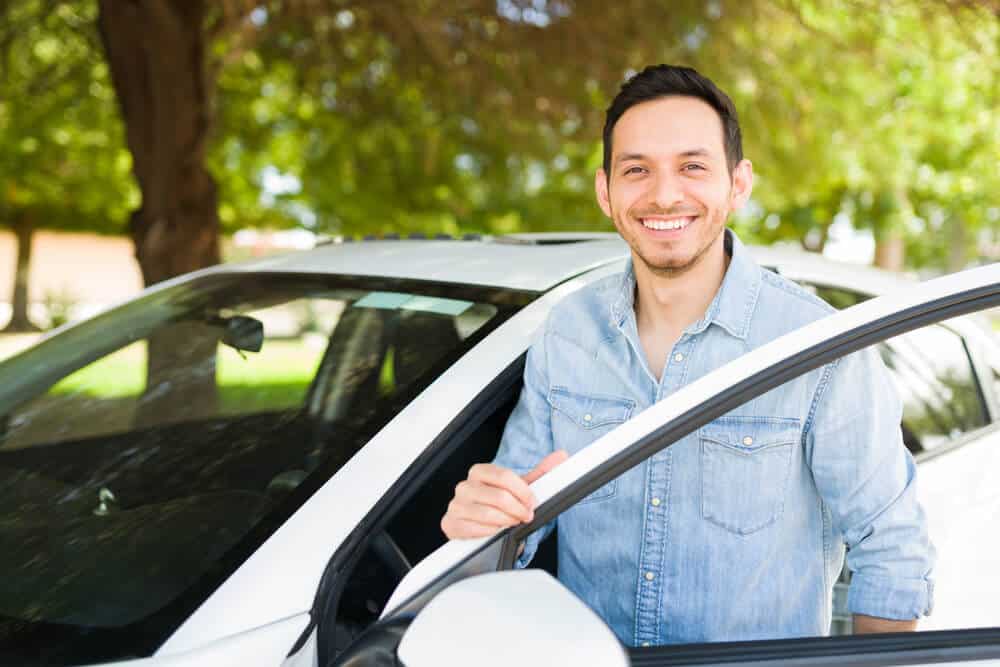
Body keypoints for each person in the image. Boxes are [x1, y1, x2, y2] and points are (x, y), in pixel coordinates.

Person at [440, 64, 934, 646]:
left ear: (738, 184)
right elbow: (514, 527)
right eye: (636, 170)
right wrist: (483, 524)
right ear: (606, 191)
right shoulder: (565, 334)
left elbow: (892, 551)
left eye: (693, 167)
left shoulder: (819, 346)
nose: (664, 194)